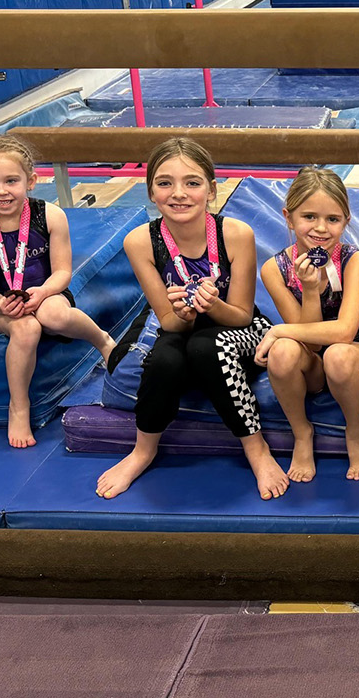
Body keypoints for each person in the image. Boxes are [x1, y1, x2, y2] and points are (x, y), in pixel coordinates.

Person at [97, 137, 286, 500]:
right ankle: (143, 450)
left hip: (240, 329)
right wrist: (183, 314)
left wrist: (212, 306)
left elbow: (242, 314)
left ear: (212, 190)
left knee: (205, 346)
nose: (178, 193)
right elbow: (168, 322)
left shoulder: (234, 233)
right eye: (165, 183)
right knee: (164, 359)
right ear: (150, 191)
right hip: (183, 330)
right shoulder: (140, 242)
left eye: (192, 183)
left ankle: (256, 447)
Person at [0, 135, 115, 448]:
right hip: (4, 308)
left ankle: (103, 341)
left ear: (31, 180)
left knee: (52, 315)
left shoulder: (51, 216)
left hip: (47, 292)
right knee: (27, 328)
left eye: (11, 181)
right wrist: (2, 305)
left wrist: (42, 292)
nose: (1, 191)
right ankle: (19, 405)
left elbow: (62, 273)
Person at [256, 167, 359, 483]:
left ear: (346, 221)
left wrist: (277, 330)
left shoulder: (353, 260)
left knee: (336, 354)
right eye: (309, 217)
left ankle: (356, 429)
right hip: (313, 362)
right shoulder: (275, 269)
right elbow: (311, 344)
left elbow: (344, 332)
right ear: (289, 218)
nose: (321, 228)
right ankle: (302, 432)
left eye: (333, 219)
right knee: (283, 352)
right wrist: (310, 289)